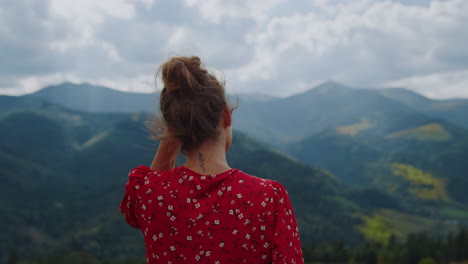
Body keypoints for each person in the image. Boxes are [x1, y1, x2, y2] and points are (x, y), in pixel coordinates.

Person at [119, 56, 304, 263]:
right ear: (226, 115)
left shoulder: (150, 193)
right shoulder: (269, 198)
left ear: (173, 128)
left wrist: (172, 135)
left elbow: (134, 212)